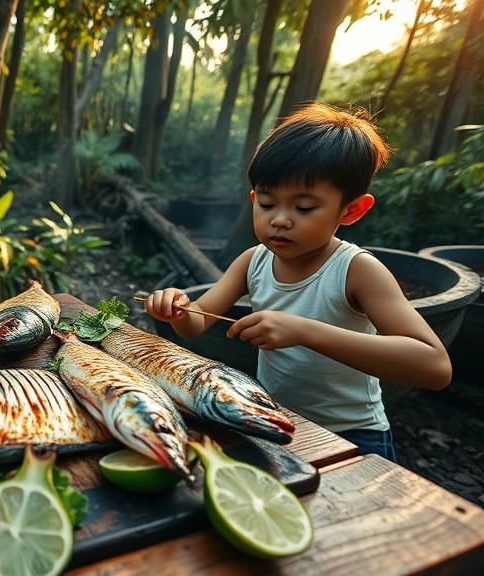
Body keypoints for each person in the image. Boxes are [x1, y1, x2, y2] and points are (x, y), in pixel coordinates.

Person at [145, 103, 451, 461]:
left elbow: (434, 366)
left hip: (353, 436)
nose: (280, 220)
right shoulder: (253, 261)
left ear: (351, 210)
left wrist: (305, 331)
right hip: (279, 424)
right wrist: (176, 310)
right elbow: (197, 323)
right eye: (268, 203)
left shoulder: (356, 269)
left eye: (303, 208)